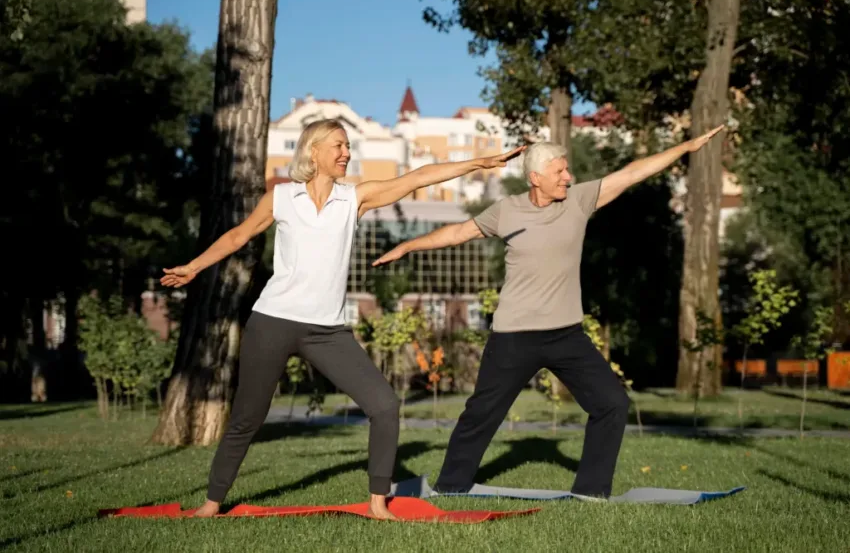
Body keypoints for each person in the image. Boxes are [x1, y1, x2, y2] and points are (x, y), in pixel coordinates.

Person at [160, 119, 525, 518]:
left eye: (348, 146)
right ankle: (211, 503)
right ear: (312, 150)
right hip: (273, 321)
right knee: (247, 417)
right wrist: (193, 267)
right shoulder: (281, 198)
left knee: (384, 405)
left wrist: (478, 163)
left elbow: (417, 176)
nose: (346, 153)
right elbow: (236, 238)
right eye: (338, 145)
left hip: (327, 331)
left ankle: (377, 503)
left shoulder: (354, 199)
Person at [372, 125, 725, 499]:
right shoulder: (506, 211)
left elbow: (633, 172)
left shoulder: (578, 200)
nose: (568, 177)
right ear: (535, 178)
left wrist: (685, 146)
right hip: (513, 335)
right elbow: (459, 232)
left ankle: (591, 490)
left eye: (568, 170)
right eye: (560, 172)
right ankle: (451, 485)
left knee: (612, 403)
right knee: (482, 413)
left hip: (566, 335)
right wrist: (407, 246)